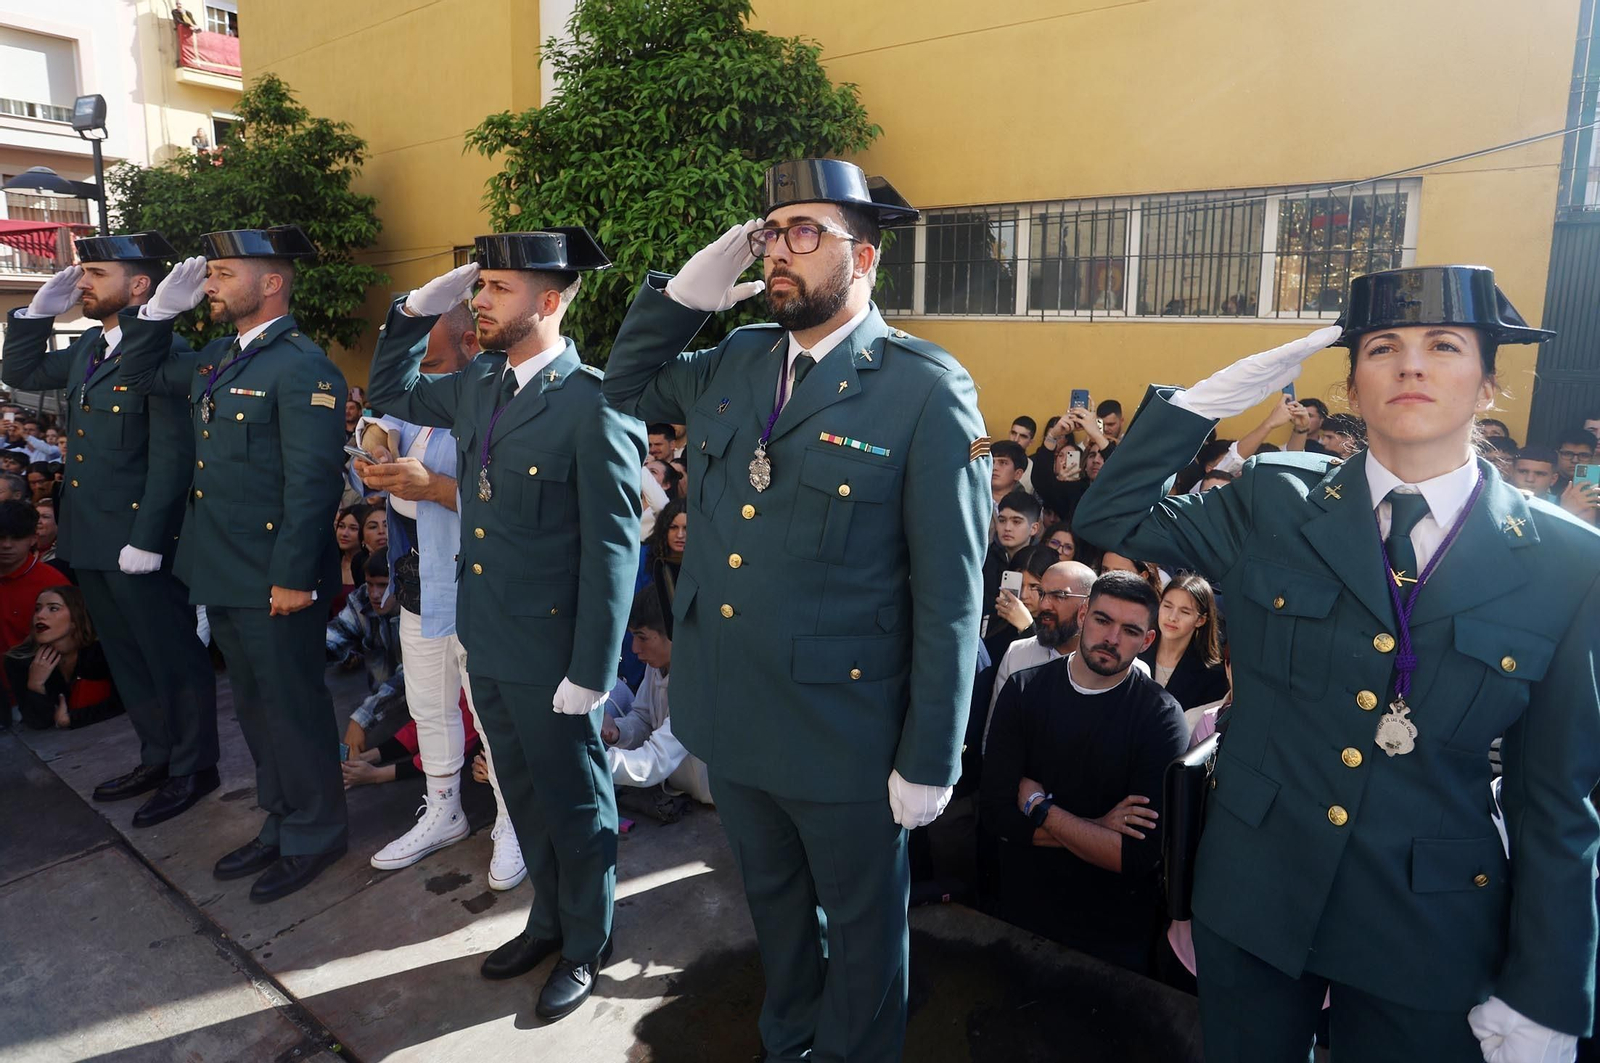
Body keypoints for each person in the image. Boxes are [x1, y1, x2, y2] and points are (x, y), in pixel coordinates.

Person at [1074, 264, 1600, 1062]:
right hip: (1258, 890)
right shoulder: (1273, 503)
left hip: (1428, 921)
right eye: (1383, 346)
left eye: (1445, 345)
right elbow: (1110, 511)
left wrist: (1548, 990)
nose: (1412, 365)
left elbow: (1556, 799)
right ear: (1353, 386)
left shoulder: (1567, 563)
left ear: (1488, 385)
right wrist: (1200, 405)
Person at [603, 157, 990, 1062]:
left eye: (805, 232)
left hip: (844, 733)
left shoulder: (925, 388)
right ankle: (789, 1042)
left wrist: (929, 755)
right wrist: (688, 291)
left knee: (861, 935)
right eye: (770, 232)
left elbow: (951, 592)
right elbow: (624, 381)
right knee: (775, 909)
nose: (779, 250)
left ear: (865, 259)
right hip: (733, 716)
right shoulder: (736, 357)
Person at [366, 227, 642, 1021]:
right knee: (523, 793)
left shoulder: (595, 404)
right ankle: (547, 921)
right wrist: (417, 308)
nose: (480, 300)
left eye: (497, 288)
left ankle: (587, 943)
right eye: (478, 286)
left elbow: (614, 551)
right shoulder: (481, 384)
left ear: (549, 301)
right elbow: (393, 384)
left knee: (577, 805)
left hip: (556, 654)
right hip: (487, 638)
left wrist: (591, 669)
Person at [118, 226, 350, 904]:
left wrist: (293, 576)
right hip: (221, 567)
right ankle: (281, 820)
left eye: (221, 272)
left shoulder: (304, 366)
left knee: (293, 707)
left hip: (274, 575)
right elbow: (137, 373)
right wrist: (158, 312)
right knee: (253, 707)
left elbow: (312, 485)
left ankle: (316, 832)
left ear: (270, 282)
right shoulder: (220, 355)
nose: (209, 284)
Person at [3, 233, 219, 826]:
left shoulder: (167, 355)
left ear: (141, 287)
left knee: (169, 656)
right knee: (126, 657)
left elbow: (173, 458)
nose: (83, 283)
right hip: (90, 536)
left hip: (139, 541)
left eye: (96, 272)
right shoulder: (89, 349)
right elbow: (17, 368)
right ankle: (158, 755)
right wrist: (35, 314)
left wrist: (148, 539)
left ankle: (194, 768)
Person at [351, 301, 527, 891]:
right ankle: (443, 808)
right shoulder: (421, 395)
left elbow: (513, 504)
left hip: (480, 581)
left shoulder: (502, 396)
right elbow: (381, 421)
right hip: (422, 578)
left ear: (466, 340)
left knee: (489, 710)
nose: (413, 355)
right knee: (430, 704)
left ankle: (511, 821)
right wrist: (376, 450)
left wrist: (436, 487)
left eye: (424, 342)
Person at [980, 571, 1188, 973]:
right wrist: (1097, 827)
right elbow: (995, 813)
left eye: (1129, 630)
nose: (1111, 638)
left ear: (1147, 641)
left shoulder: (1161, 718)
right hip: (1023, 913)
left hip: (1112, 935)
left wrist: (1041, 809)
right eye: (1102, 620)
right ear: (1082, 617)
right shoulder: (1025, 690)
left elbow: (1136, 856)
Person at [604, 587, 711, 805]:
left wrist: (596, 763)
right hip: (679, 796)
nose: (634, 648)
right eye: (633, 637)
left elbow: (655, 761)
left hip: (713, 807)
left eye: (642, 638)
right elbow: (644, 720)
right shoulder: (655, 666)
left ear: (674, 635)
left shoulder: (700, 681)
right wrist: (617, 731)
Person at [8, 585, 122, 731]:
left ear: (75, 619)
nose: (40, 615)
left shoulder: (101, 651)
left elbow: (126, 701)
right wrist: (35, 684)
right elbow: (37, 722)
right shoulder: (19, 662)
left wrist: (72, 718)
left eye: (53, 608)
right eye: (37, 609)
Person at [325, 551, 405, 754]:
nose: (375, 594)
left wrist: (361, 720)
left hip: (423, 709)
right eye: (370, 584)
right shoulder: (362, 599)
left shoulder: (418, 607)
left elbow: (411, 676)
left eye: (383, 585)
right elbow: (335, 636)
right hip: (380, 707)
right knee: (339, 752)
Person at [0, 499, 68, 708]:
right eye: (0, 537)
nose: (6, 545)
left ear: (32, 539)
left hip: (35, 699)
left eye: (16, 537)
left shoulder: (53, 584)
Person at [1138, 573, 1228, 711]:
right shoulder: (1136, 650)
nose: (1173, 617)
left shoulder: (1211, 675)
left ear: (1200, 620)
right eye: (1167, 606)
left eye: (1185, 612)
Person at [331, 504, 366, 617]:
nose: (344, 533)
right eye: (341, 526)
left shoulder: (369, 565)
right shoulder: (330, 562)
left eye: (353, 528)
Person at [988, 439, 1027, 506]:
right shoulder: (969, 499)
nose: (994, 467)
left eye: (1003, 462)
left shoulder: (1028, 507)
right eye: (992, 462)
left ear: (1017, 474)